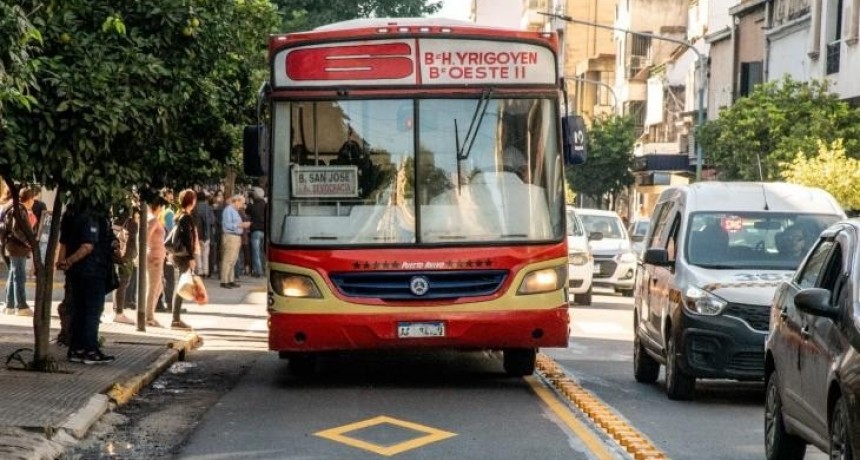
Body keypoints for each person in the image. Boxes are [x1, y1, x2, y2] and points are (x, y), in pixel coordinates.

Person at [57, 200, 118, 364]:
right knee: (92, 310)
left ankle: (77, 348)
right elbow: (87, 246)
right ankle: (91, 350)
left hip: (77, 272)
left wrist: (62, 261)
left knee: (80, 309)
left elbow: (63, 242)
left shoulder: (69, 214)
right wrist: (69, 261)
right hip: (92, 270)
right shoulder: (91, 216)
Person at [4, 187, 37, 316]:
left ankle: (10, 304)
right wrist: (28, 241)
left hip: (11, 245)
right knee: (19, 275)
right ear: (29, 200)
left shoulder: (10, 205)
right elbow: (16, 229)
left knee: (13, 274)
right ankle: (21, 306)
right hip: (18, 247)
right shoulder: (20, 209)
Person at [169, 189, 199, 330]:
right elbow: (187, 239)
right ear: (191, 201)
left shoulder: (179, 215)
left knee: (180, 285)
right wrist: (191, 257)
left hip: (178, 255)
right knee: (181, 287)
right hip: (184, 256)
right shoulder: (186, 217)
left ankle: (176, 318)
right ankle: (175, 320)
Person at [111, 202, 138, 325]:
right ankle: (119, 312)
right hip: (125, 257)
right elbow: (131, 241)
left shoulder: (120, 220)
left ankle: (117, 310)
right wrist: (126, 257)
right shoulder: (131, 223)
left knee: (121, 283)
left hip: (122, 256)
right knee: (123, 283)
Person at [145, 197, 168, 328]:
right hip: (154, 257)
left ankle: (150, 314)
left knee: (158, 287)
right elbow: (145, 237)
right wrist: (149, 251)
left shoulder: (155, 219)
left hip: (158, 256)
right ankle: (149, 317)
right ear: (158, 206)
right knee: (153, 287)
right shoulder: (152, 220)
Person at [220, 194, 250, 289]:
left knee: (233, 260)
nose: (243, 205)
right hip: (231, 236)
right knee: (228, 259)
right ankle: (224, 281)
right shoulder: (228, 210)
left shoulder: (234, 211)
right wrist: (241, 225)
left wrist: (241, 225)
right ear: (236, 201)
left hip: (236, 236)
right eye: (242, 203)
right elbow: (228, 224)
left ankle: (230, 279)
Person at [157, 188, 176, 313]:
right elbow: (172, 231)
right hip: (166, 248)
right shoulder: (168, 212)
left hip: (157, 246)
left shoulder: (157, 211)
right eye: (170, 195)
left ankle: (158, 303)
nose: (172, 197)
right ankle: (169, 303)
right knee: (170, 277)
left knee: (159, 276)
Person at [192, 190, 214, 278]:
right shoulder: (209, 207)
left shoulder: (194, 208)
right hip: (207, 233)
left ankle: (199, 271)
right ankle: (206, 271)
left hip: (197, 233)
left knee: (197, 253)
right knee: (205, 253)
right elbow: (212, 220)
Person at [247, 187, 266, 278]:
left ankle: (258, 270)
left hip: (255, 230)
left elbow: (247, 211)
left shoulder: (252, 206)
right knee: (262, 251)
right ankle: (264, 268)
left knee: (256, 252)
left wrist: (249, 201)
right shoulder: (265, 205)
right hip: (264, 230)